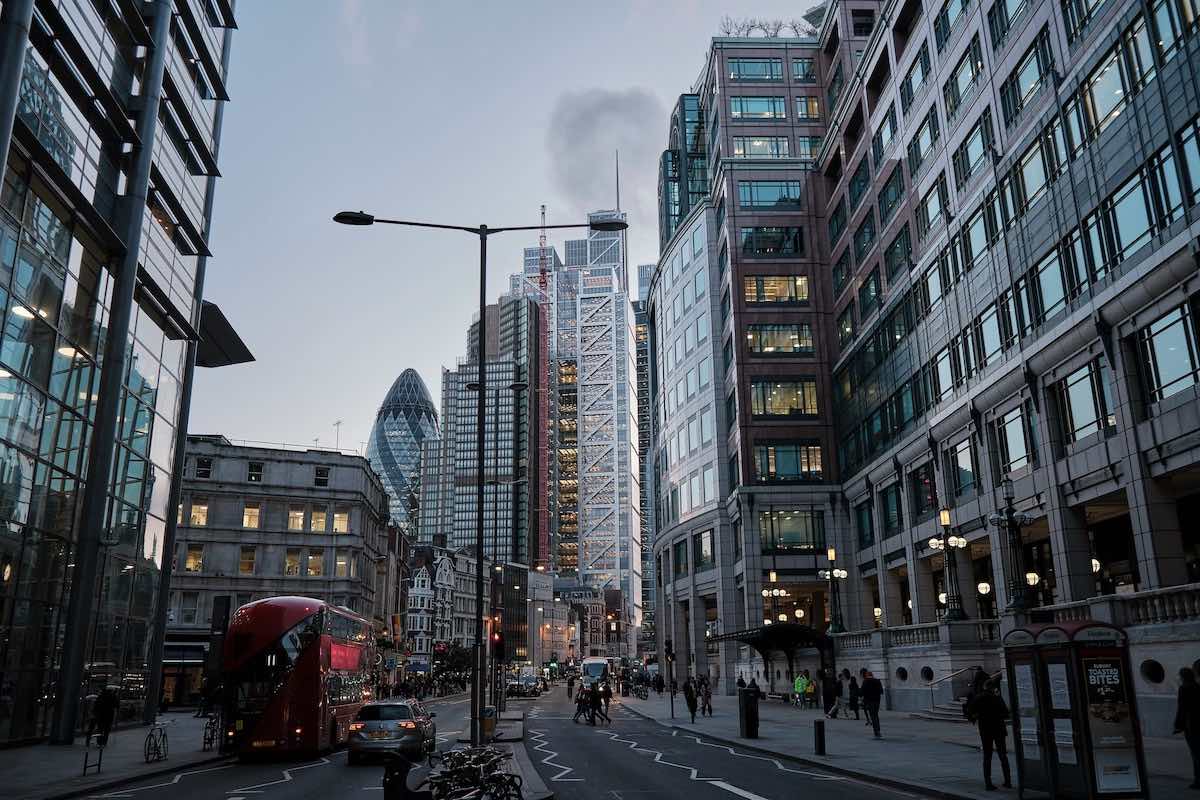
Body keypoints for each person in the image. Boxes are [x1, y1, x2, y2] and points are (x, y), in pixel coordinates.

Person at [966, 674, 1012, 790]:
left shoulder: (979, 698)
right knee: (1003, 755)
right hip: (999, 729)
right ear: (993, 688)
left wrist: (977, 716)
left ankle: (988, 782)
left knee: (987, 756)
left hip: (986, 730)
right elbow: (1006, 713)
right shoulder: (997, 698)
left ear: (984, 687)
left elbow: (970, 712)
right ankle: (1008, 781)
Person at [1174, 666, 1200, 790]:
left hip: (1192, 725)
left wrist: (1178, 725)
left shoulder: (1183, 689)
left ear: (1183, 677)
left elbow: (1182, 708)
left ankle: (1198, 780)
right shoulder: (1198, 687)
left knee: (1195, 753)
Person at [861, 670, 883, 738]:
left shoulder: (865, 681)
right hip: (877, 701)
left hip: (870, 701)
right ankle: (878, 731)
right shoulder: (877, 681)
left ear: (867, 675)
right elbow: (881, 691)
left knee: (873, 716)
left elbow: (862, 692)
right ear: (872, 675)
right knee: (876, 715)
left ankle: (876, 732)